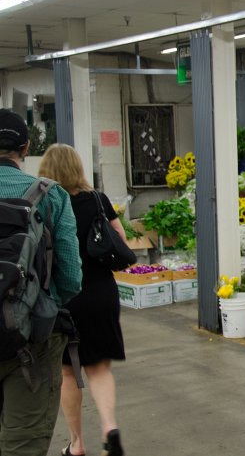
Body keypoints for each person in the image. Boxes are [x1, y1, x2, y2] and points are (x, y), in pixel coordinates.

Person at [0, 110, 82, 456]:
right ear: (26, 147)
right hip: (33, 339)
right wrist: (35, 302)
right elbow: (71, 278)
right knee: (23, 443)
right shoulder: (50, 195)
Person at [38, 144, 126, 456]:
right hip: (102, 293)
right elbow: (121, 240)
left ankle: (77, 444)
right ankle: (109, 428)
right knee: (99, 368)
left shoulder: (44, 202)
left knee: (68, 372)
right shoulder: (98, 200)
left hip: (64, 298)